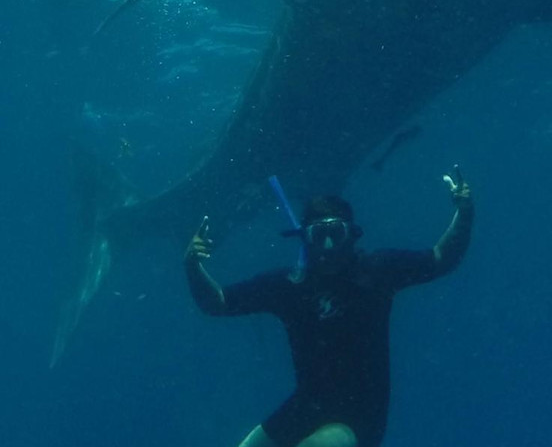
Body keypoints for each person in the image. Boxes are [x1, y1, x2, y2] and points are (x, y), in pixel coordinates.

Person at [184, 166, 475, 447]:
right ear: (303, 240)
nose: (326, 246)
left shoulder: (377, 271)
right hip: (306, 404)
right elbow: (218, 303)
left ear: (352, 236)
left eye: (335, 234)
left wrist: (464, 213)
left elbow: (441, 259)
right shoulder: (287, 286)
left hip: (360, 413)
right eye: (317, 235)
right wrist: (193, 268)